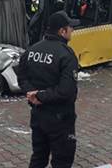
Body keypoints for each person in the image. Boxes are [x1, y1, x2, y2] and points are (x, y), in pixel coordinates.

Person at [17, 11, 79, 168]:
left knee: (38, 157)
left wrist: (33, 94)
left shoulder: (31, 50)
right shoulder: (66, 54)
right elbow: (67, 91)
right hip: (60, 118)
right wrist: (40, 95)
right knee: (62, 161)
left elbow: (22, 78)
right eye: (70, 28)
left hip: (38, 115)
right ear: (62, 31)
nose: (73, 31)